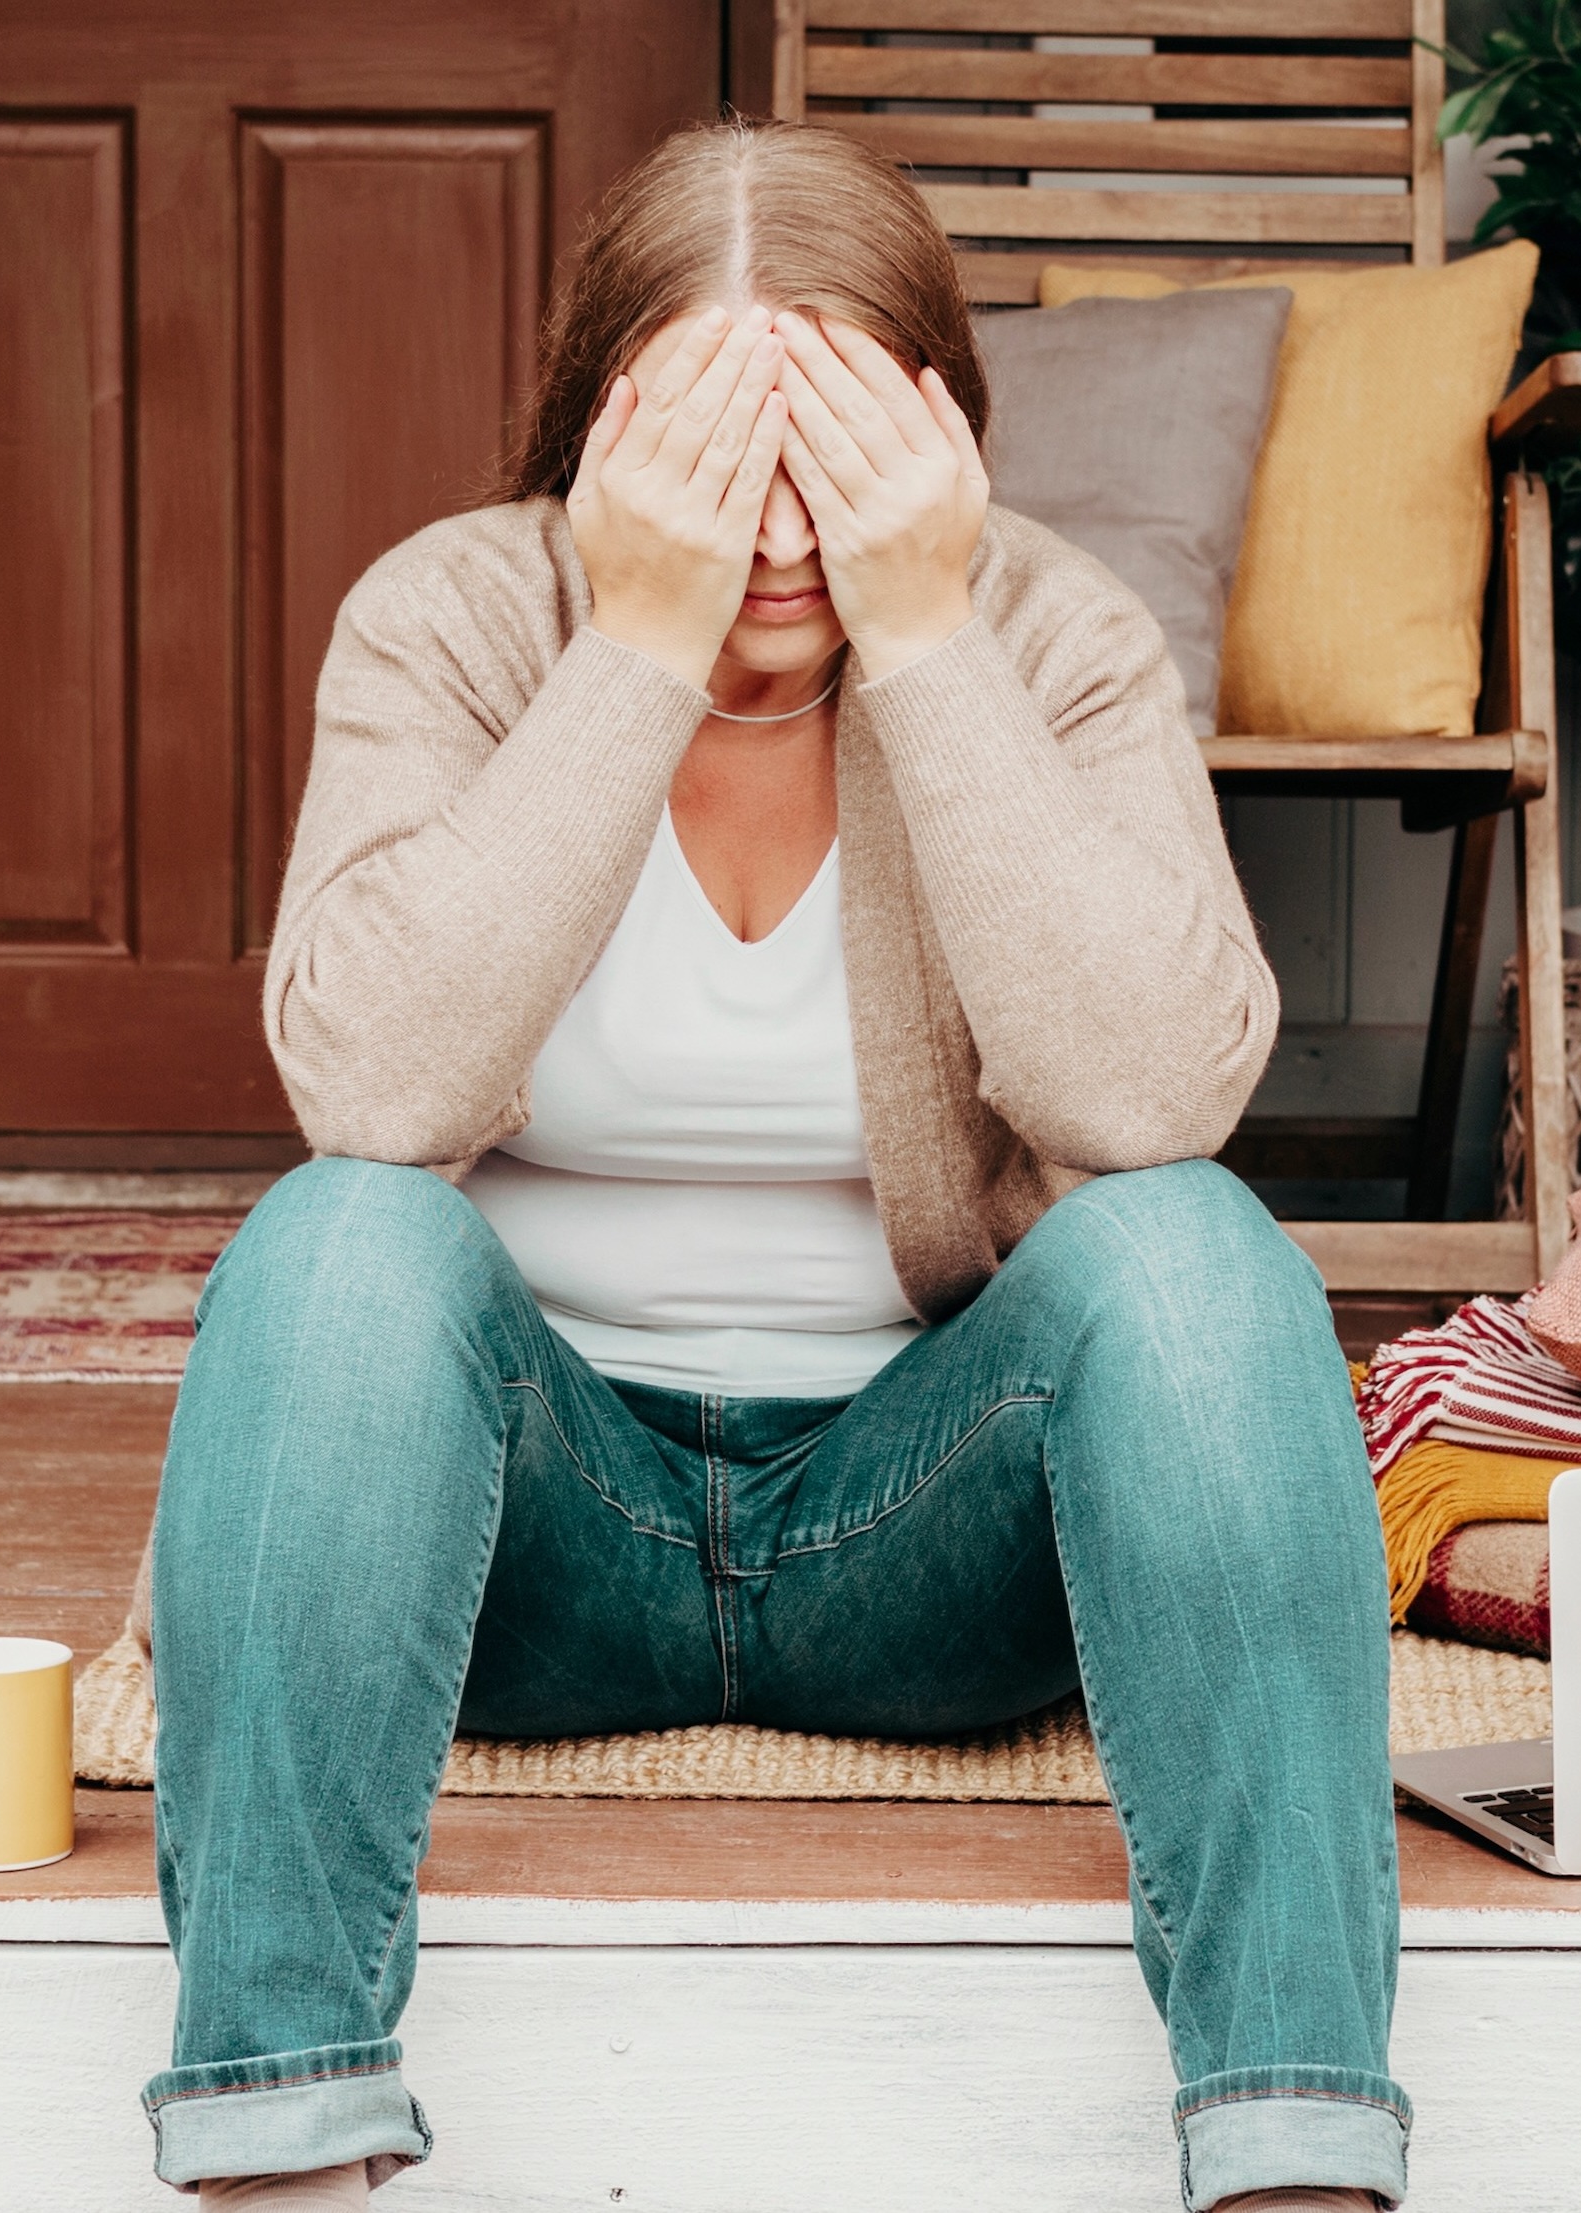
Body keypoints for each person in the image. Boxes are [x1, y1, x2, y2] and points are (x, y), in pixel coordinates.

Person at [142, 117, 1402, 2212]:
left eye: (835, 458)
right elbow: (366, 1078)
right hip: (533, 1537)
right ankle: (279, 2149)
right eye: (718, 462)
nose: (780, 531)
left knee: (1193, 1255)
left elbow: (1154, 1093)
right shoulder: (454, 617)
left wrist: (930, 645)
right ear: (595, 440)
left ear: (940, 439)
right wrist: (629, 648)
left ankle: (1290, 2154)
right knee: (333, 1242)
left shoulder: (1046, 634)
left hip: (927, 1524)